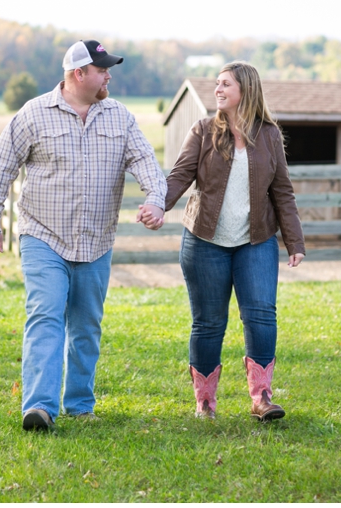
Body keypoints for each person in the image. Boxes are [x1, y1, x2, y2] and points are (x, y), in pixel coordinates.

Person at [0, 40, 166, 431]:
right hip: (43, 236)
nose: (108, 75)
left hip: (95, 241)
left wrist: (156, 199)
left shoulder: (120, 117)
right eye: (101, 70)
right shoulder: (34, 114)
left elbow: (146, 161)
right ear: (79, 73)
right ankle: (40, 407)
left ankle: (79, 404)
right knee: (45, 315)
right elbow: (1, 167)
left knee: (86, 325)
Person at [138, 61, 305, 422]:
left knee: (261, 316)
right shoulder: (202, 131)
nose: (218, 89)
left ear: (245, 89)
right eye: (216, 83)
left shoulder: (270, 136)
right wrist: (157, 205)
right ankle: (205, 404)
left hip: (256, 241)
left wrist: (294, 241)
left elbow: (283, 192)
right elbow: (179, 176)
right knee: (209, 323)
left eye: (225, 84)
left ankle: (261, 397)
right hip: (205, 242)